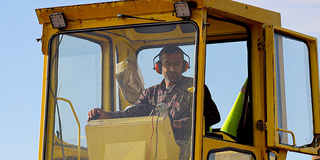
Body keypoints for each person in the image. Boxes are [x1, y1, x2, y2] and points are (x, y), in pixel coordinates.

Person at [87, 46, 220, 141]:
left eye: (177, 64)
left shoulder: (195, 88)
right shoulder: (150, 93)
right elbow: (131, 115)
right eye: (167, 64)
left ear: (184, 66)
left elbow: (213, 117)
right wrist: (107, 115)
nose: (172, 68)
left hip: (186, 150)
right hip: (152, 147)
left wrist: (179, 124)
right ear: (159, 67)